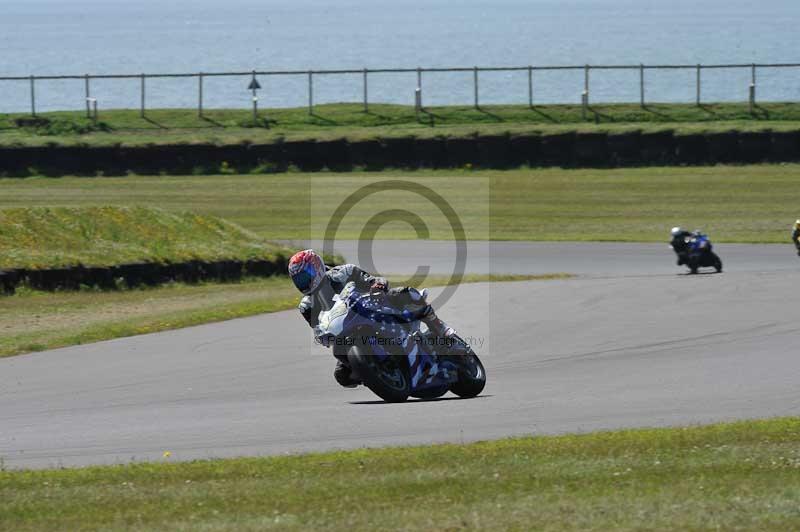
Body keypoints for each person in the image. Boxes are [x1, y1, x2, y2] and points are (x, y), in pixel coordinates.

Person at [288, 249, 456, 388]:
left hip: (373, 310)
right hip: (345, 330)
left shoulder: (344, 272)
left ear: (317, 267)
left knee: (404, 293)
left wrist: (377, 285)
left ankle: (439, 327)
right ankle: (377, 372)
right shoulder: (306, 306)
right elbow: (318, 328)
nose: (304, 282)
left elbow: (372, 280)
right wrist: (323, 338)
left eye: (306, 275)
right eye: (299, 279)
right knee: (342, 375)